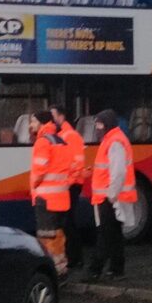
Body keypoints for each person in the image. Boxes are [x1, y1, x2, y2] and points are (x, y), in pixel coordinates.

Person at [87, 109, 137, 281]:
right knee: (114, 234)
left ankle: (95, 270)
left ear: (106, 124)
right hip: (111, 195)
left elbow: (118, 172)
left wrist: (112, 194)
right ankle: (116, 269)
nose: (97, 127)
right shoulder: (113, 139)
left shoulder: (114, 141)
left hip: (110, 197)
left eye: (99, 124)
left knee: (105, 234)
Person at [29, 111, 71, 277]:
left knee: (46, 238)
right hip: (60, 198)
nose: (30, 126)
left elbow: (40, 170)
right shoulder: (60, 141)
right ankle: (61, 269)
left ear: (41, 123)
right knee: (58, 236)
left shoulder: (42, 142)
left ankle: (50, 273)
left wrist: (34, 185)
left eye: (33, 122)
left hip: (45, 199)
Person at [50, 104, 88, 270]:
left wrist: (68, 182)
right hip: (65, 185)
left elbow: (77, 163)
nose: (52, 120)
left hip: (71, 185)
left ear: (61, 117)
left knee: (68, 223)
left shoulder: (70, 136)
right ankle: (71, 256)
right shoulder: (60, 135)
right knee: (65, 223)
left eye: (54, 116)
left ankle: (76, 258)